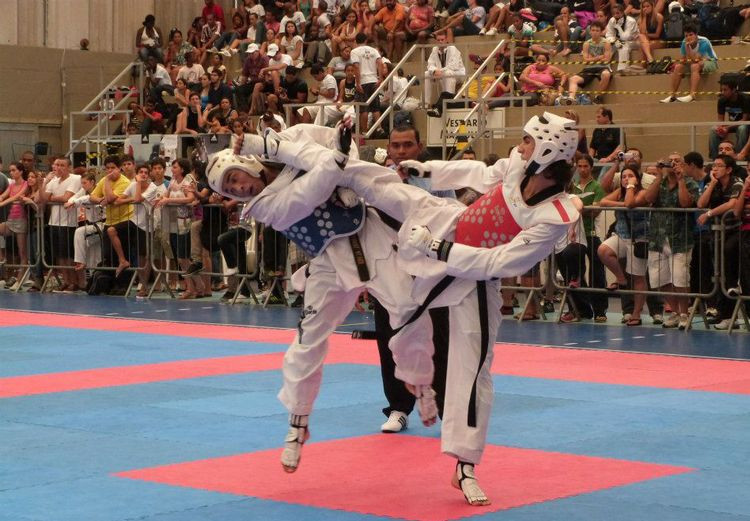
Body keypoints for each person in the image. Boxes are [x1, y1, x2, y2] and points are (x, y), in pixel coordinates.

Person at [253, 113, 580, 506]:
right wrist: (429, 168)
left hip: (472, 274)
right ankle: (415, 388)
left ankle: (465, 465)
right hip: (444, 224)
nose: (522, 146)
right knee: (370, 184)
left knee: (472, 370)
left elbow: (501, 263)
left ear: (546, 152)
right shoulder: (515, 167)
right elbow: (479, 172)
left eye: (529, 142)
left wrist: (439, 250)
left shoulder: (556, 216)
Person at [209, 122, 439, 476]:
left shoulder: (285, 145)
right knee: (307, 340)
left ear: (249, 163)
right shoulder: (264, 207)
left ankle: (420, 382)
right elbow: (310, 192)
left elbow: (331, 143)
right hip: (328, 261)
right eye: (231, 189)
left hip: (370, 240)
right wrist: (335, 163)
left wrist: (339, 146)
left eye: (236, 176)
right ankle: (298, 423)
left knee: (409, 311)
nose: (240, 187)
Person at [637, 156, 699, 329]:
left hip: (680, 239)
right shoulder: (660, 182)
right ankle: (675, 312)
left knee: (680, 278)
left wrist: (680, 181)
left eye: (676, 161)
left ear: (684, 165)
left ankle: (685, 314)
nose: (672, 164)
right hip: (657, 238)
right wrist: (658, 176)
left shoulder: (690, 183)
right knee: (660, 279)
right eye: (669, 160)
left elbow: (686, 203)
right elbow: (648, 198)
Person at [597, 165, 650, 326]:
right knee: (603, 251)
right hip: (621, 235)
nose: (626, 179)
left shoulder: (642, 192)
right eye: (624, 177)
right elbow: (603, 202)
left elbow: (630, 202)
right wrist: (620, 204)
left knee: (638, 277)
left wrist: (631, 188)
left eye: (630, 176)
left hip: (638, 238)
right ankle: (621, 279)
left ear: (637, 178)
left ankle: (636, 313)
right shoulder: (620, 192)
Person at [696, 155, 744, 330]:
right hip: (716, 233)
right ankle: (724, 314)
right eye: (713, 166)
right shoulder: (712, 183)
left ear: (729, 169)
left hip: (735, 231)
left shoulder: (737, 183)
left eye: (719, 166)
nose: (714, 169)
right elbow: (701, 203)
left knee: (730, 273)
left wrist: (709, 214)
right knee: (719, 275)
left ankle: (733, 315)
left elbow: (732, 204)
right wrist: (713, 184)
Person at [660, 22, 718, 104]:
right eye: (686, 36)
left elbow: (695, 59)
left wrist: (688, 48)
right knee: (678, 67)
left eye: (691, 35)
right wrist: (681, 62)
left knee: (695, 66)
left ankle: (692, 95)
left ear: (696, 34)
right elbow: (683, 59)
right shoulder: (684, 42)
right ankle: (672, 96)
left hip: (711, 62)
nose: (688, 37)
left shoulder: (704, 41)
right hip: (697, 62)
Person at [565, 21, 612, 103]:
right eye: (593, 30)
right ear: (590, 32)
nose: (595, 33)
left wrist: (592, 58)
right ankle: (571, 98)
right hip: (589, 68)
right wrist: (599, 57)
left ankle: (598, 97)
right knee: (573, 79)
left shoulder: (606, 43)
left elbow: (607, 59)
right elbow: (585, 60)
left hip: (602, 67)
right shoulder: (587, 43)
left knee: (606, 74)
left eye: (597, 31)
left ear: (601, 32)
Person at [350, 32, 386, 137]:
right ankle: (379, 129)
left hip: (363, 81)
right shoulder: (374, 50)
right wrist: (380, 78)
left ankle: (365, 132)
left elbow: (356, 67)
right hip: (374, 80)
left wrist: (358, 83)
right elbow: (380, 63)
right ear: (366, 40)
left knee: (363, 108)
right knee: (375, 107)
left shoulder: (354, 51)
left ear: (356, 41)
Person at [424, 32, 466, 118]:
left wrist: (439, 71)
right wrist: (434, 70)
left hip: (458, 74)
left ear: (446, 40)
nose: (440, 42)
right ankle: (426, 103)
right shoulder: (435, 49)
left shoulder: (453, 48)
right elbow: (430, 64)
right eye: (438, 40)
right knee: (427, 73)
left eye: (442, 40)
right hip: (442, 73)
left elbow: (453, 66)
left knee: (448, 73)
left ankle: (449, 102)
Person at [709, 77, 750, 160]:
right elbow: (720, 120)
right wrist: (721, 128)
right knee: (713, 129)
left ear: (734, 90)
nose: (722, 92)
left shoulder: (745, 99)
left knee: (742, 128)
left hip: (745, 125)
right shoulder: (722, 100)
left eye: (725, 90)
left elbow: (745, 120)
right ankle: (715, 158)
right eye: (722, 90)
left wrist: (727, 128)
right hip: (732, 125)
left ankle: (738, 157)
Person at [605, 4, 639, 73]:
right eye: (613, 13)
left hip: (634, 42)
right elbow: (608, 34)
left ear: (623, 12)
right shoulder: (612, 20)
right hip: (619, 41)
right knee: (607, 46)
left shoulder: (630, 21)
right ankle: (605, 67)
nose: (615, 15)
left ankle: (623, 69)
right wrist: (614, 41)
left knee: (624, 46)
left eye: (617, 13)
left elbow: (626, 37)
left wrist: (618, 27)